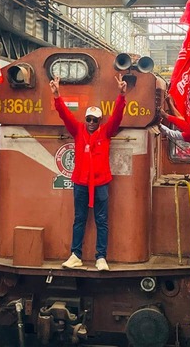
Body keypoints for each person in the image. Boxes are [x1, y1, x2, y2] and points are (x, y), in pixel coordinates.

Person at [50, 74, 127, 271]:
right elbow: (65, 114)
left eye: (95, 119)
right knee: (79, 219)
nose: (91, 122)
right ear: (85, 120)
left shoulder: (106, 132)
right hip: (81, 183)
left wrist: (121, 95)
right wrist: (57, 96)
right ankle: (76, 255)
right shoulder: (77, 131)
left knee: (102, 221)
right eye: (88, 119)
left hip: (101, 183)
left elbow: (117, 115)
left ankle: (101, 257)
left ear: (100, 121)